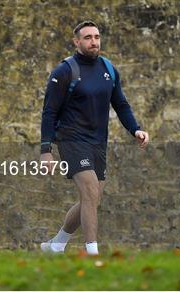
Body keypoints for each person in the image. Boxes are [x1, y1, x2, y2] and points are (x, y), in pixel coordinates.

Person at [39, 20, 149, 255]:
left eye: (97, 37)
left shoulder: (109, 69)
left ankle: (56, 245)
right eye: (88, 37)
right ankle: (93, 254)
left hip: (98, 142)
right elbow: (49, 112)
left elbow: (120, 104)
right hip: (71, 139)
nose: (94, 41)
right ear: (76, 41)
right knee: (89, 191)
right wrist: (46, 150)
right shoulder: (64, 71)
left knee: (93, 198)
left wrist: (135, 129)